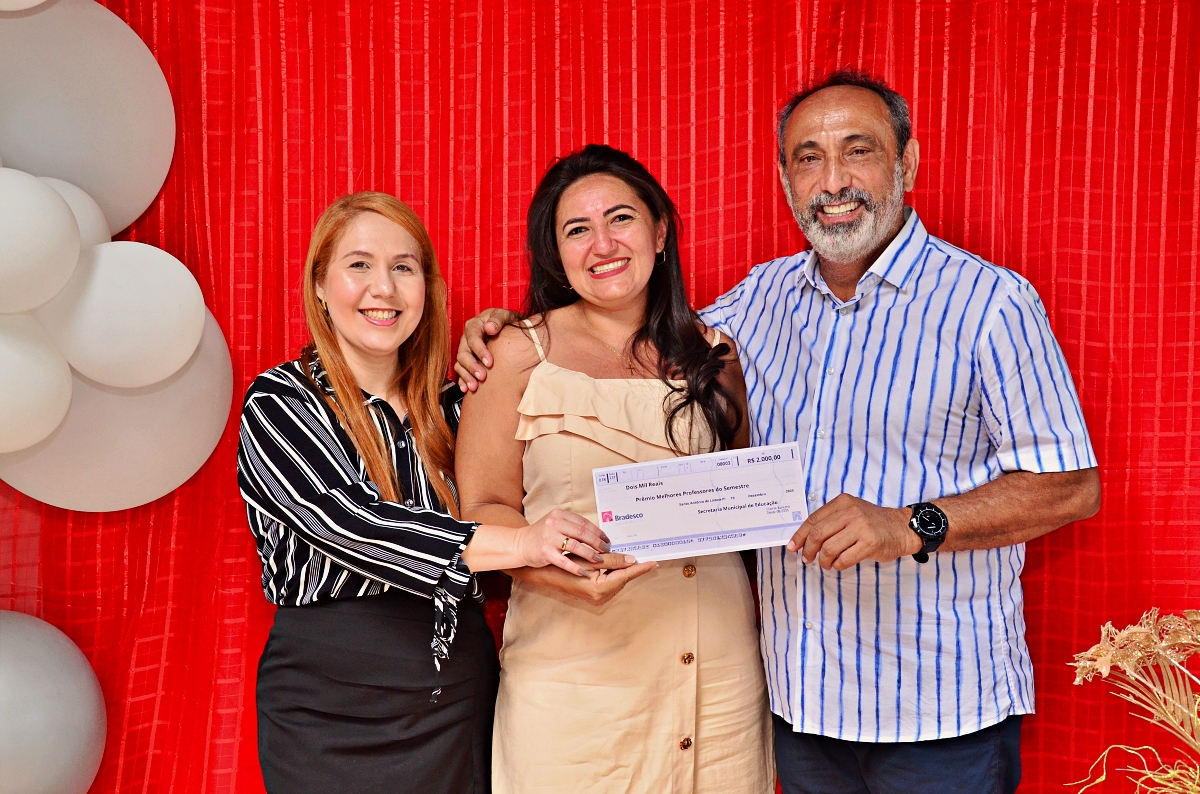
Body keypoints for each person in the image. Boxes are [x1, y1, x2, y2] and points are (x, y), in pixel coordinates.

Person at [454, 72, 1102, 793]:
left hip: (936, 708)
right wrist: (500, 331)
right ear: (785, 177)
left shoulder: (991, 303)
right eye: (808, 158)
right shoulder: (752, 308)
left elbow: (1072, 486)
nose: (834, 181)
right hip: (799, 703)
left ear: (908, 162)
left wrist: (908, 525)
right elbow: (626, 338)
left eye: (858, 150)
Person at [236, 192, 611, 794]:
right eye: (359, 264)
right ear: (320, 286)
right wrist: (522, 543)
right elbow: (351, 525)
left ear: (427, 290)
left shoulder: (457, 407)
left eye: (403, 267)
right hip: (329, 708)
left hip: (457, 695)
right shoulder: (280, 402)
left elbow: (548, 463)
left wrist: (506, 341)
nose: (383, 288)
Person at [454, 145, 775, 793]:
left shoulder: (717, 355)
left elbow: (743, 500)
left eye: (620, 218)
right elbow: (480, 511)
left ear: (659, 232)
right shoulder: (515, 353)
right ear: (556, 254)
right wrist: (554, 570)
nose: (603, 244)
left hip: (718, 679)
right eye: (578, 229)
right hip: (574, 683)